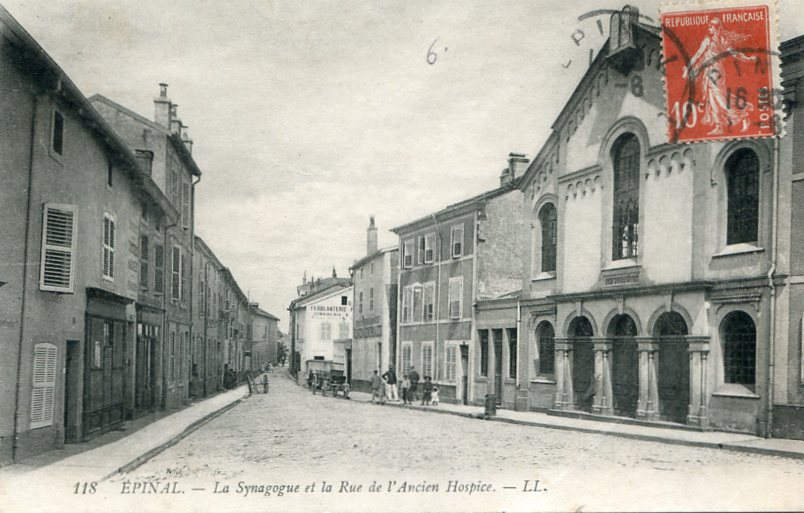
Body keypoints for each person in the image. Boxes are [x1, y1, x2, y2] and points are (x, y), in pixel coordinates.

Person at [683, 17, 757, 136]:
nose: (709, 29)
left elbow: (698, 55)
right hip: (711, 72)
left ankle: (742, 116)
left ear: (716, 28)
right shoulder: (717, 41)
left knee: (719, 98)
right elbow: (698, 55)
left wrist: (748, 59)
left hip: (715, 72)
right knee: (712, 98)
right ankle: (719, 126)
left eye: (711, 27)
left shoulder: (716, 41)